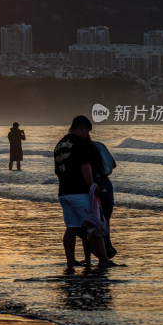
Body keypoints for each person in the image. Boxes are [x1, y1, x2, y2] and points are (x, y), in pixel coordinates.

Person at [54, 115, 114, 270]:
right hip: (80, 192)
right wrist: (92, 185)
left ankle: (71, 261)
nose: (87, 135)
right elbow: (85, 166)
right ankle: (104, 260)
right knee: (93, 226)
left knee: (71, 228)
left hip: (64, 192)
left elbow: (58, 170)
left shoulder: (60, 144)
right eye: (86, 131)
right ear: (82, 128)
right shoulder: (81, 143)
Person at [92, 140, 117, 259]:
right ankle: (106, 252)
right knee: (105, 219)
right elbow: (113, 164)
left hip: (92, 183)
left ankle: (102, 253)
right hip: (106, 183)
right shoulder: (100, 145)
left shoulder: (83, 147)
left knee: (93, 220)